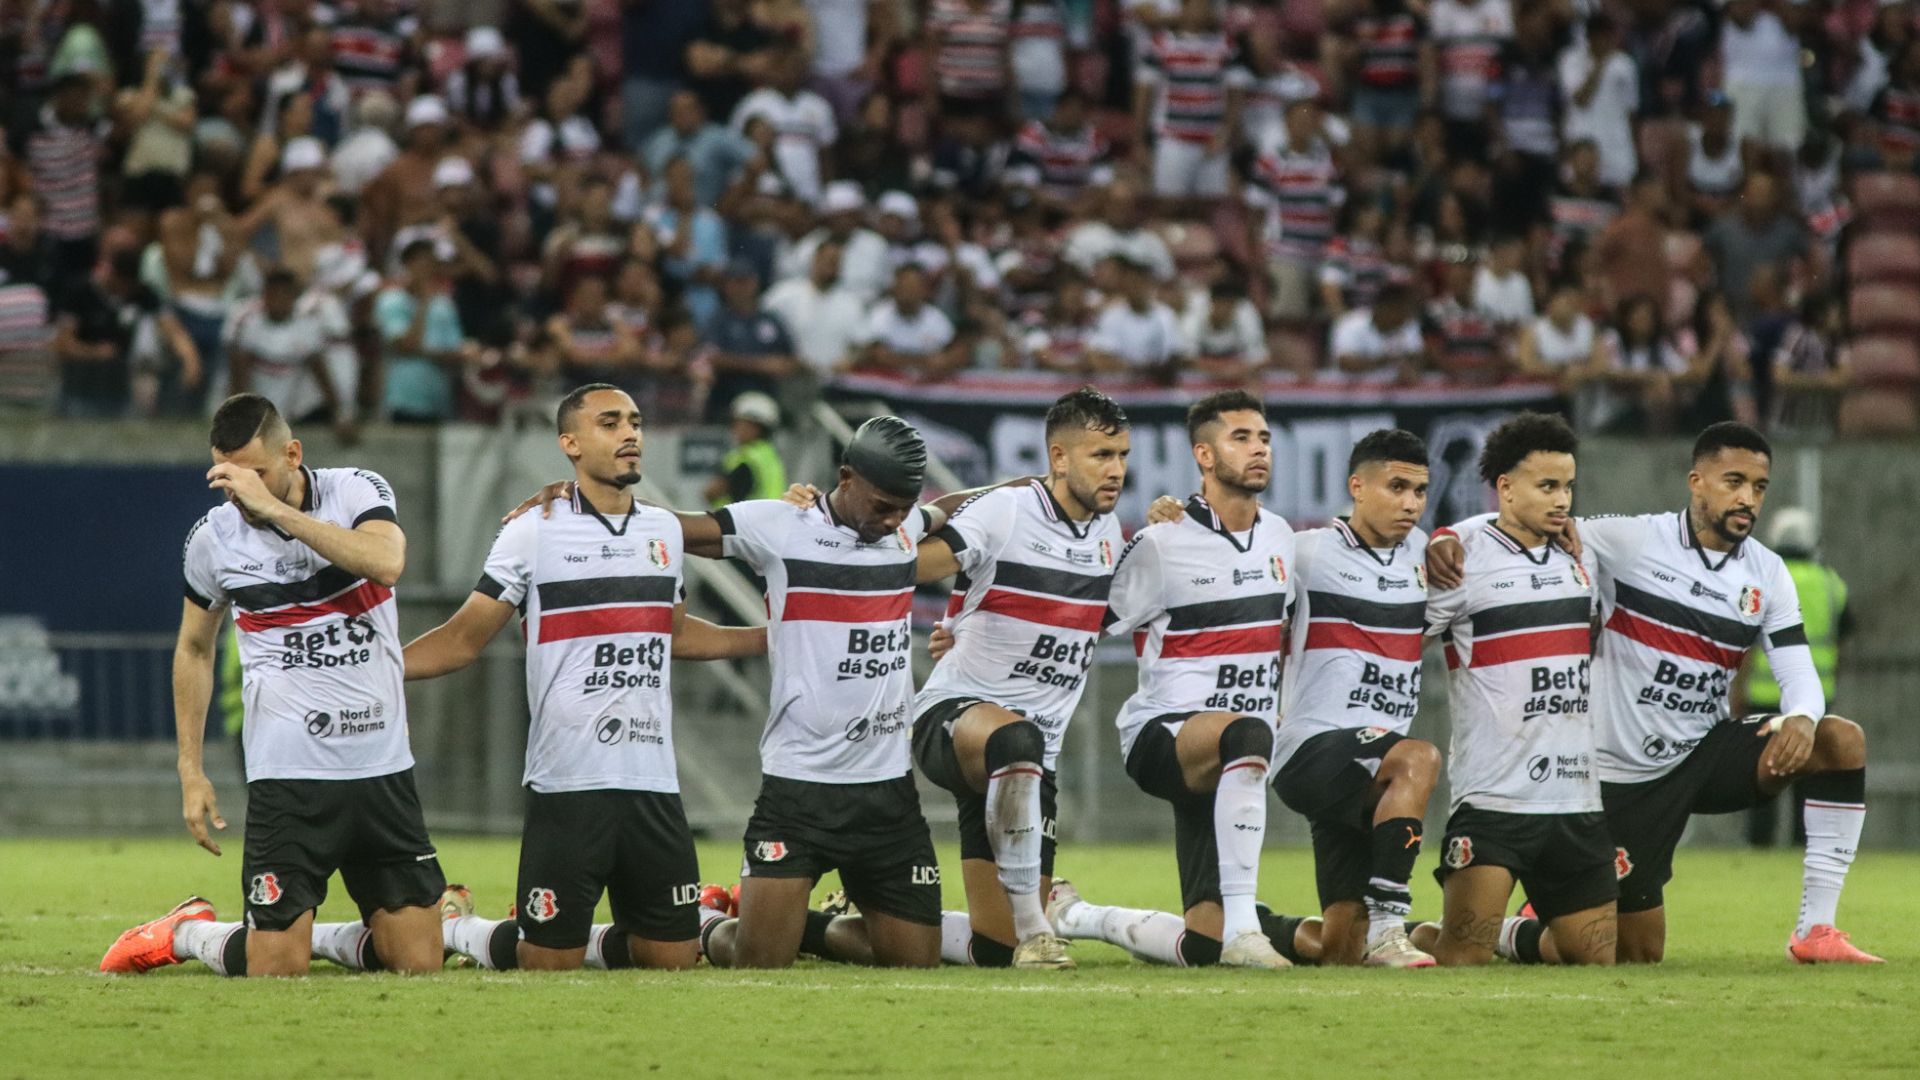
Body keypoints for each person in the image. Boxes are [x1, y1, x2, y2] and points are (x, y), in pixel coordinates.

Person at [1446, 423, 1880, 964]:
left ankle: (1816, 930)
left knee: (1840, 740)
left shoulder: (1768, 573)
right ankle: (1518, 932)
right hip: (1618, 776)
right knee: (1637, 953)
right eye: (1734, 481)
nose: (1748, 499)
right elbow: (1530, 516)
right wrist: (1447, 537)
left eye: (1760, 487)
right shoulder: (1629, 540)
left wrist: (1802, 716)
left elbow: (1797, 669)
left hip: (1702, 752)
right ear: (1697, 482)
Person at [404, 385, 764, 973]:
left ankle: (580, 931)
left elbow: (671, 632)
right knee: (548, 964)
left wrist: (766, 637)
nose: (631, 433)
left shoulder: (664, 532)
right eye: (610, 422)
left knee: (672, 961)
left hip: (653, 782)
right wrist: (381, 669)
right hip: (568, 783)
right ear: (569, 443)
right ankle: (460, 927)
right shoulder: (533, 529)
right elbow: (464, 636)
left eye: (636, 422)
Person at [101, 394, 447, 978]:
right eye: (228, 478)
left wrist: (278, 511)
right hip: (287, 775)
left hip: (379, 766)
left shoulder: (356, 490)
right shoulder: (213, 538)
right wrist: (190, 768)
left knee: (418, 963)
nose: (241, 493)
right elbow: (193, 647)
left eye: (255, 474)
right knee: (276, 971)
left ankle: (323, 934)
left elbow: (386, 562)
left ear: (293, 454)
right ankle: (187, 933)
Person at [1141, 430, 1443, 968]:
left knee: (1339, 951)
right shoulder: (1303, 552)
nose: (1410, 503)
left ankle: (1246, 924)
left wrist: (1458, 539)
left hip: (1370, 770)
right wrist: (1175, 525)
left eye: (1420, 491)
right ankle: (1393, 926)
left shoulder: (1428, 554)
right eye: (1396, 487)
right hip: (1311, 749)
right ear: (1357, 486)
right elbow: (1232, 557)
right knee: (1419, 755)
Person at [1046, 390, 1296, 970]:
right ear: (1203, 457)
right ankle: (1247, 932)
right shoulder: (1162, 543)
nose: (1258, 449)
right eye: (1240, 438)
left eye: (1263, 438)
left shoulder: (1283, 537)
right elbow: (1088, 619)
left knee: (1198, 947)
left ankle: (1077, 916)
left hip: (1235, 755)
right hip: (1165, 737)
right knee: (1248, 731)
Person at [912, 389, 1130, 969]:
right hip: (956, 718)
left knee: (992, 947)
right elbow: (922, 563)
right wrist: (924, 514)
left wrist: (959, 622)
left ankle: (852, 918)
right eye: (1100, 455)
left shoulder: (1111, 539)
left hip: (1032, 763)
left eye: (1122, 456)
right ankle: (1039, 929)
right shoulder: (1007, 509)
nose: (1116, 471)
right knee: (1017, 740)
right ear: (1058, 458)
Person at [1421, 411, 1616, 967]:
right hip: (1496, 795)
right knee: (1462, 960)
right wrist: (1432, 543)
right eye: (1547, 486)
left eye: (1569, 487)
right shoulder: (1460, 554)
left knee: (1595, 959)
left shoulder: (1584, 553)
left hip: (1575, 797)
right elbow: (1402, 616)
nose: (1562, 500)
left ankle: (1515, 935)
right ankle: (1414, 934)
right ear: (1504, 487)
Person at [1741, 508, 1849, 848]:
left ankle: (1759, 844)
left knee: (1762, 772)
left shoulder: (1762, 577)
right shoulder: (1831, 582)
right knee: (1808, 771)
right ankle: (1802, 843)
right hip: (1814, 697)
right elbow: (1841, 638)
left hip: (1763, 693)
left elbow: (1744, 640)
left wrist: (1738, 687)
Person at [705, 391, 788, 507]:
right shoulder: (769, 454)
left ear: (756, 427)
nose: (735, 428)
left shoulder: (747, 457)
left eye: (741, 423)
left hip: (742, 523)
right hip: (768, 520)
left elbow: (714, 491)